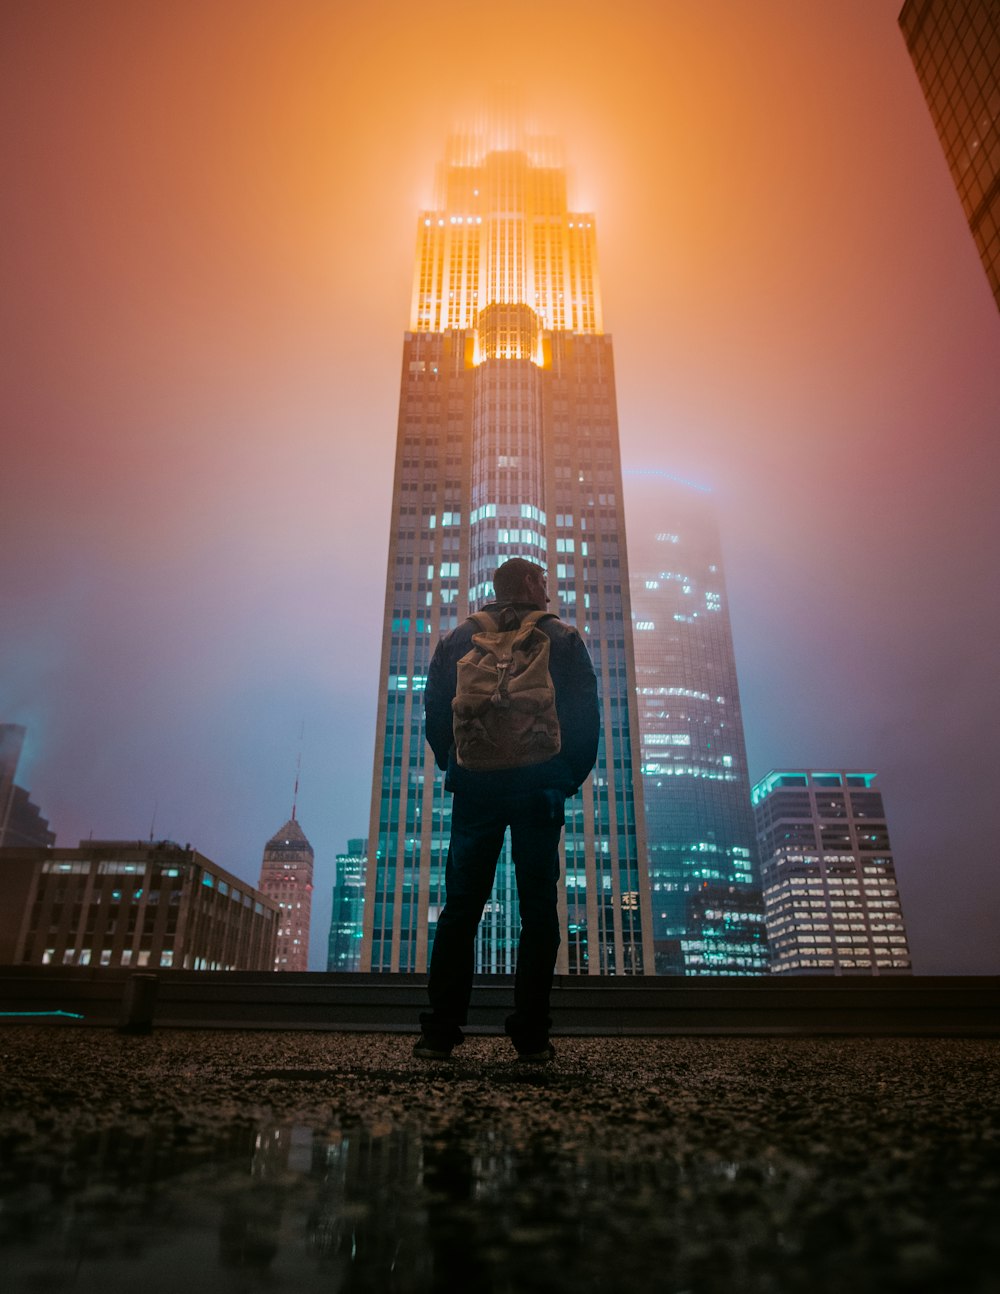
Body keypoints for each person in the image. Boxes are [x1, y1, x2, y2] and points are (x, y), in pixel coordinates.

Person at [415, 557, 600, 1063]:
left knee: (461, 909)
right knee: (538, 911)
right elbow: (585, 720)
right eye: (542, 582)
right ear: (526, 584)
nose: (547, 591)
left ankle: (440, 1031)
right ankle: (531, 1035)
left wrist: (458, 766)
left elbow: (434, 713)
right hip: (539, 788)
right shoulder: (562, 639)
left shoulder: (457, 640)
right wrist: (563, 779)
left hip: (477, 788)